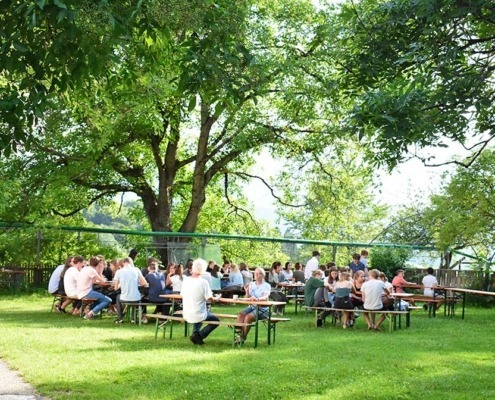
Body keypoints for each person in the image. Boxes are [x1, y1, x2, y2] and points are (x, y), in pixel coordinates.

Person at [180, 258, 221, 345]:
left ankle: (195, 333)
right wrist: (217, 298)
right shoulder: (203, 282)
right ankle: (200, 335)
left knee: (198, 311)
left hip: (187, 312)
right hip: (199, 313)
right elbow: (210, 299)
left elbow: (182, 295)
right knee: (216, 321)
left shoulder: (186, 280)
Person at [236, 267, 271, 344]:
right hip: (252, 306)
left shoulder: (266, 285)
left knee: (248, 317)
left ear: (263, 275)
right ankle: (238, 334)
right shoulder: (251, 284)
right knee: (240, 314)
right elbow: (247, 298)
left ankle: (242, 337)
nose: (256, 275)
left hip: (263, 309)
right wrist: (247, 291)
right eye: (255, 273)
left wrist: (257, 299)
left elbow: (266, 297)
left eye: (258, 273)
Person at [114, 257, 148, 324]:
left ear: (123, 263)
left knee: (118, 297)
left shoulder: (119, 271)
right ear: (131, 262)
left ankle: (120, 318)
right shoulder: (136, 270)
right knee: (136, 296)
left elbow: (115, 288)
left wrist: (121, 284)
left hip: (124, 298)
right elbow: (144, 283)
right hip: (136, 298)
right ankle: (133, 318)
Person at [77, 255, 111, 320]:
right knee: (107, 300)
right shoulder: (92, 270)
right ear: (98, 264)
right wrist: (101, 271)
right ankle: (90, 314)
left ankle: (89, 311)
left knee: (101, 299)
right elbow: (103, 282)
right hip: (86, 292)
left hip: (81, 292)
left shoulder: (85, 268)